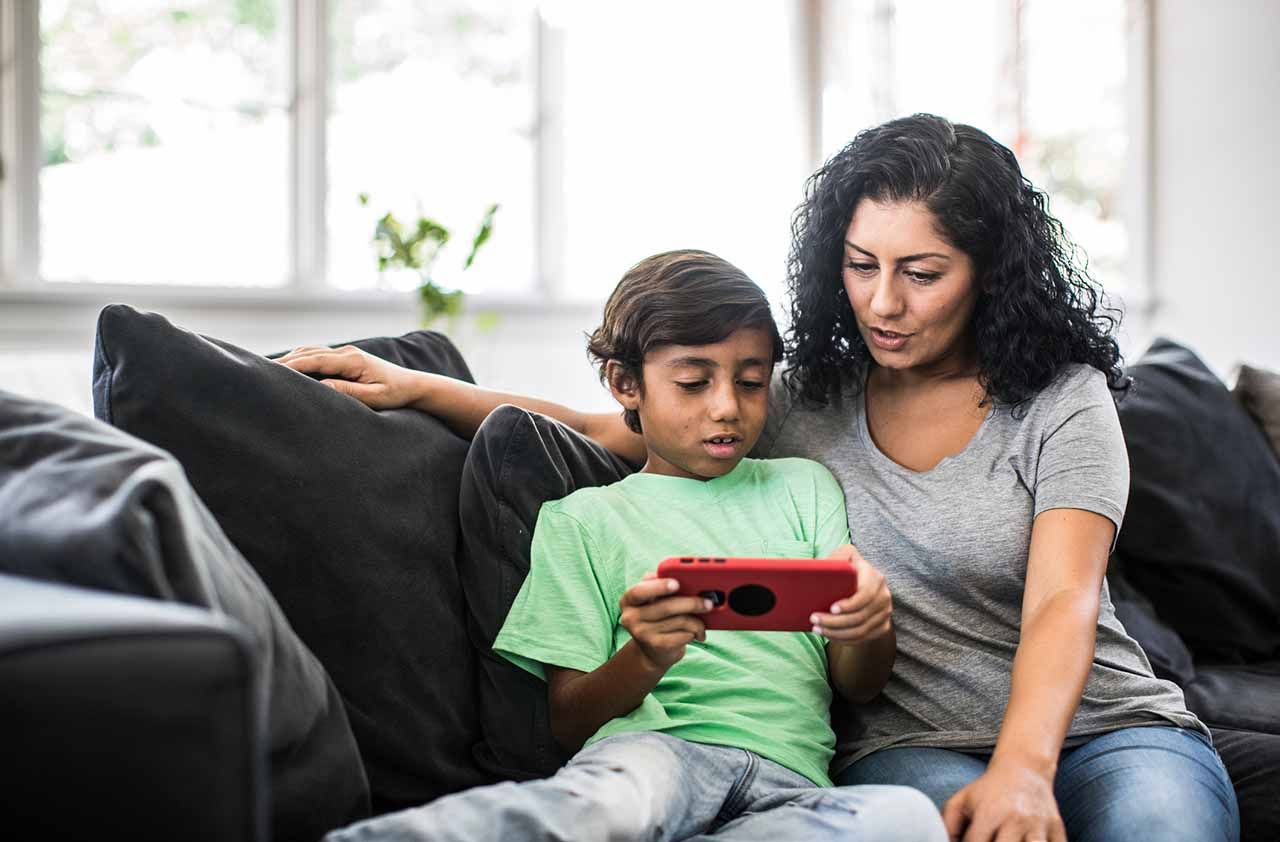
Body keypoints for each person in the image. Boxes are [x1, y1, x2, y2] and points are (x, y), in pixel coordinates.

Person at [283, 115, 1240, 842]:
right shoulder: (802, 397)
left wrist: (1029, 768)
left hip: (1104, 725)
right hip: (913, 743)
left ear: (990, 273)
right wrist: (415, 385)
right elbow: (606, 425)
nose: (882, 302)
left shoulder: (1062, 398)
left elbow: (1064, 601)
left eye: (922, 272)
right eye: (861, 265)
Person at [284, 250, 946, 842]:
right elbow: (569, 721)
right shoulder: (583, 520)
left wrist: (869, 625)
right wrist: (647, 656)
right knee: (599, 806)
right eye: (694, 383)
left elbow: (858, 684)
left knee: (907, 819)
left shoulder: (805, 487)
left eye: (750, 382)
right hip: (655, 754)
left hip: (793, 782)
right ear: (626, 385)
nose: (727, 408)